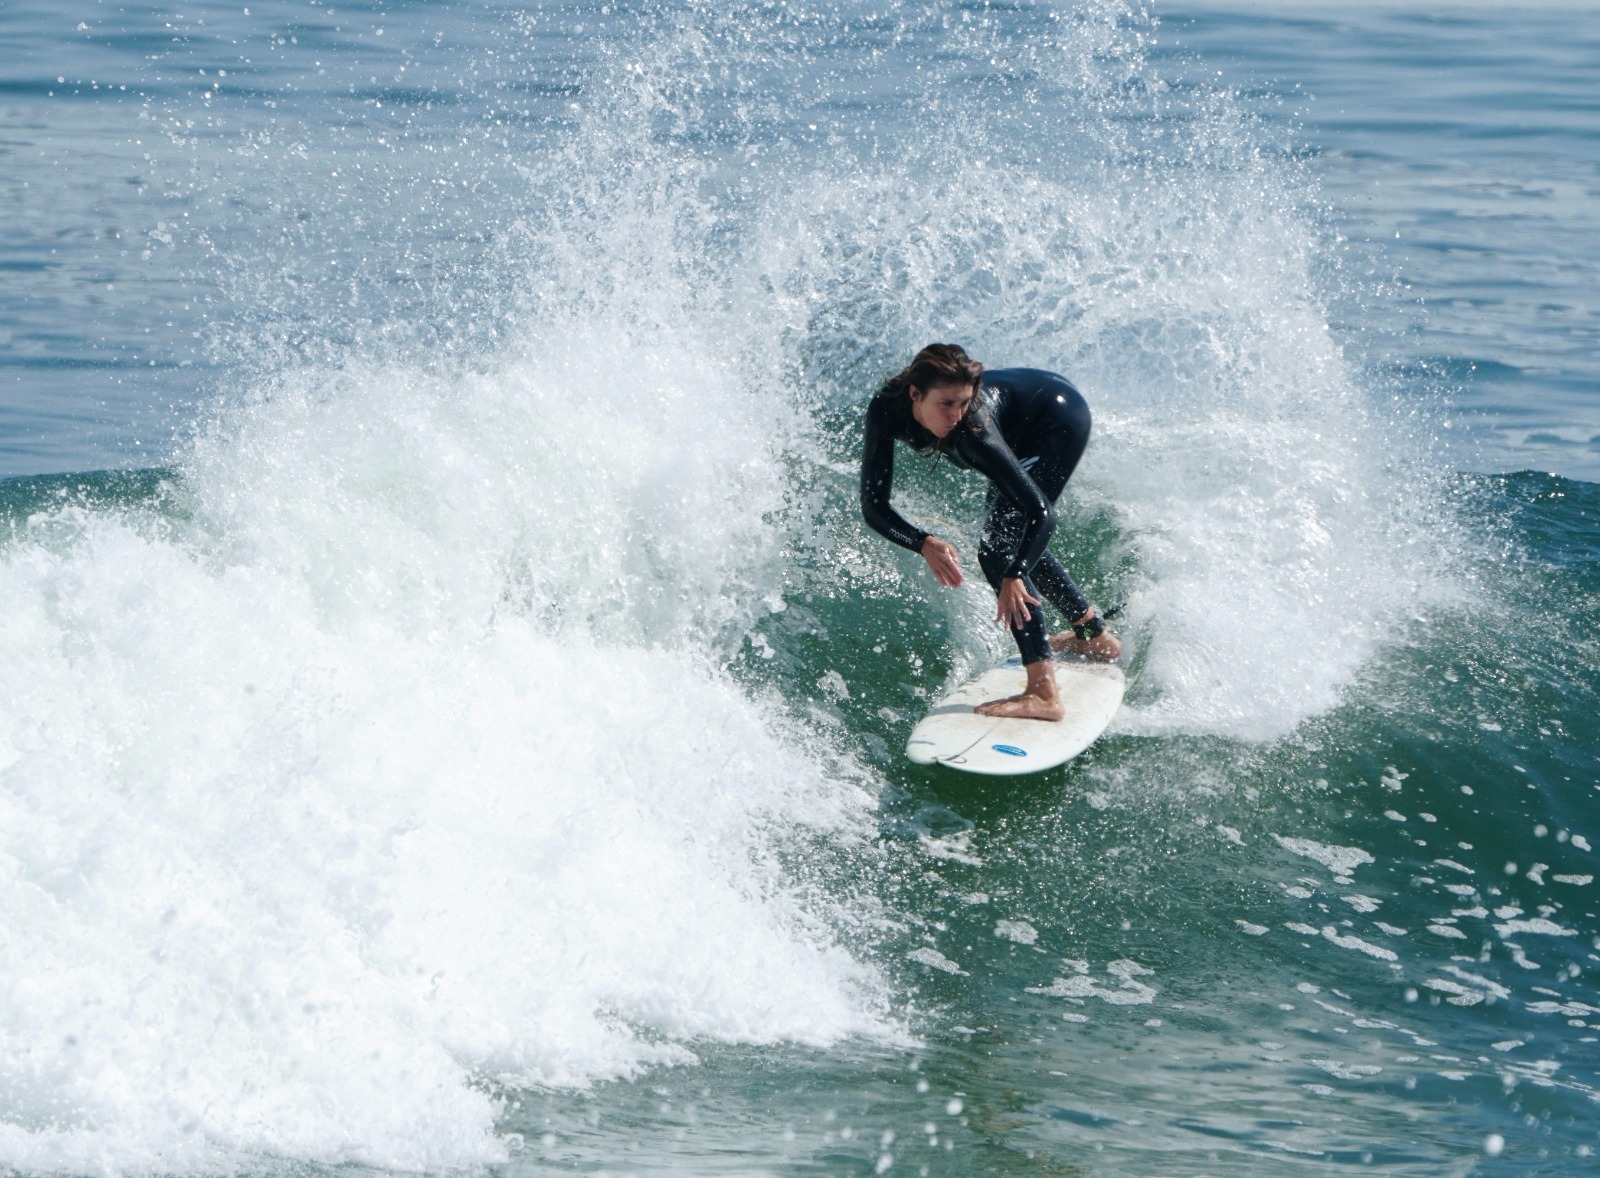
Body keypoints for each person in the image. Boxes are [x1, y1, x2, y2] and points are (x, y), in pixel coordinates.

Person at [859, 343, 1119, 721]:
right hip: (1024, 411)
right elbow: (873, 506)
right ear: (915, 394)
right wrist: (923, 542)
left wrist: (1014, 575)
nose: (956, 415)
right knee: (1007, 540)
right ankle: (1095, 637)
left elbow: (1041, 514)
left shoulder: (973, 432)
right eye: (946, 403)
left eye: (964, 402)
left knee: (1000, 550)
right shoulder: (886, 409)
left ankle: (1044, 693)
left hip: (1054, 419)